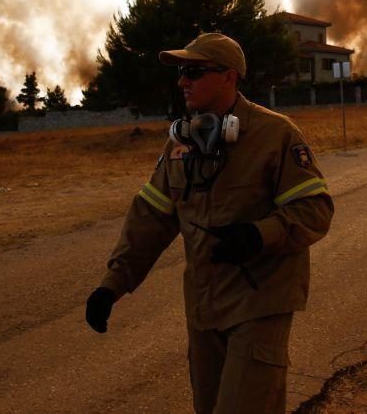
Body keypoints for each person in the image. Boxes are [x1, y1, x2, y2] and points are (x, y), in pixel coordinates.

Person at [85, 32, 334, 413]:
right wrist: (112, 285)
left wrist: (257, 235)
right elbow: (151, 217)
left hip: (259, 305)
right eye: (182, 72)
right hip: (203, 310)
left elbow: (315, 210)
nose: (182, 81)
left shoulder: (276, 134)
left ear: (229, 76)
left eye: (194, 71)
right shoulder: (181, 145)